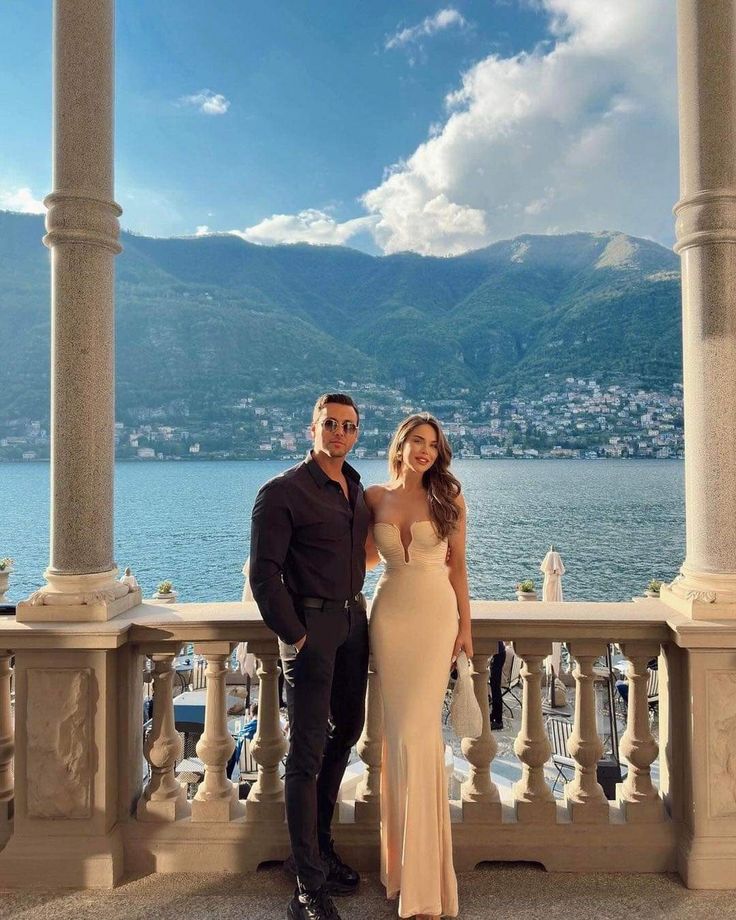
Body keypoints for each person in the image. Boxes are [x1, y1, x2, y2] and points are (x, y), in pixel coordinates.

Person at [250, 393, 371, 920]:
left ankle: (320, 849)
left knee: (347, 730)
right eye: (330, 424)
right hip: (310, 629)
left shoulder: (356, 486)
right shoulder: (281, 493)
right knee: (305, 754)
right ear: (311, 429)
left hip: (352, 621)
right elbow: (263, 576)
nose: (339, 433)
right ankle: (306, 884)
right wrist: (297, 637)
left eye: (348, 426)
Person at [366, 412, 473, 920]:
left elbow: (459, 570)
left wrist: (466, 629)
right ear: (401, 444)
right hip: (388, 619)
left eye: (433, 443)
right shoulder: (374, 498)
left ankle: (427, 883)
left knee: (420, 735)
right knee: (395, 738)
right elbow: (362, 560)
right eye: (417, 440)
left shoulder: (449, 500)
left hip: (434, 619)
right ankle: (400, 871)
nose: (425, 450)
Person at [489, 640, 507, 730]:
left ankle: (499, 721)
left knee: (495, 689)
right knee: (495, 688)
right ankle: (494, 715)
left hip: (498, 654)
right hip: (499, 653)